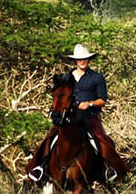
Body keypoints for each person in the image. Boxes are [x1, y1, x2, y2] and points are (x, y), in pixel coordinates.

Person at [26, 44, 125, 184]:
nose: (82, 61)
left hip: (89, 118)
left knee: (101, 140)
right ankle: (39, 169)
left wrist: (89, 103)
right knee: (50, 138)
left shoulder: (97, 78)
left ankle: (109, 169)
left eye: (84, 59)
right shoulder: (66, 77)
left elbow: (102, 100)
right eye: (79, 59)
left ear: (88, 60)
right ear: (75, 61)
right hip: (68, 118)